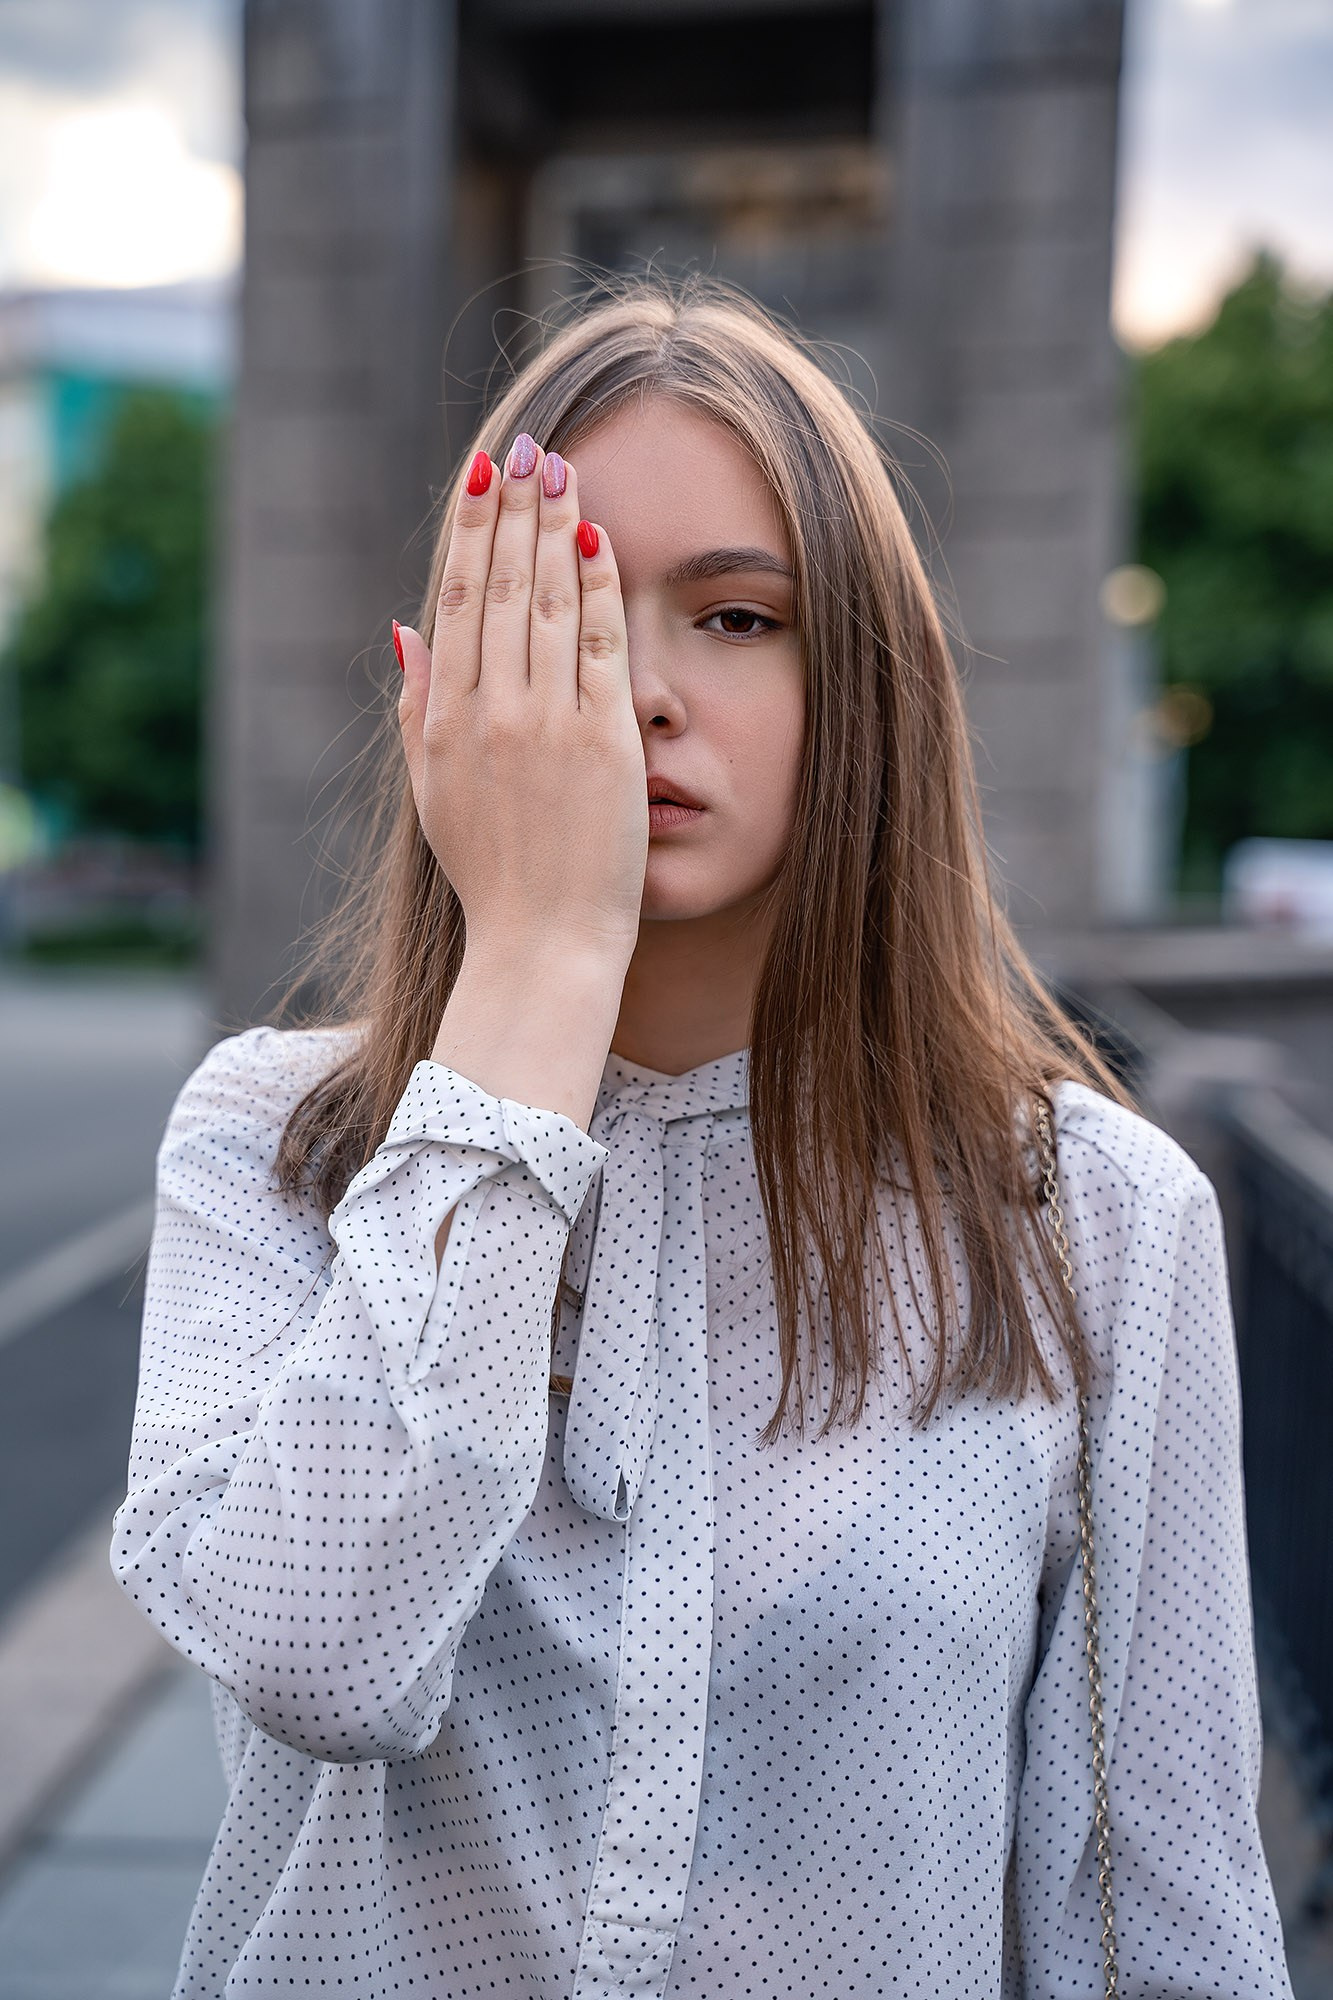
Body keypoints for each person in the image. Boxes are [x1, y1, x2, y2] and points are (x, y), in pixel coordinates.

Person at [110, 274, 1293, 1998]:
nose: (639, 694)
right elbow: (321, 1653)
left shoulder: (1090, 1216)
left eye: (736, 618)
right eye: (566, 611)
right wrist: (533, 960)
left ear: (859, 683)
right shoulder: (275, 1147)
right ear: (448, 676)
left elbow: (1159, 1919)